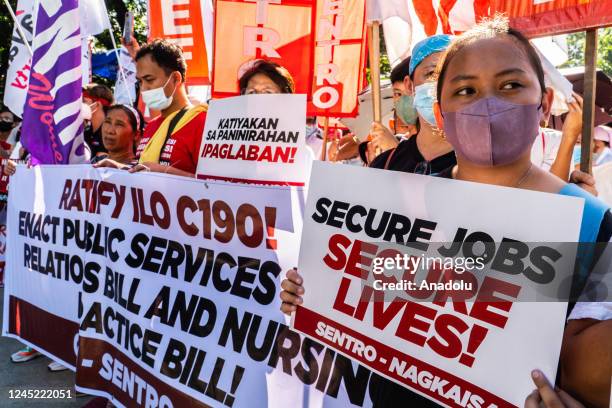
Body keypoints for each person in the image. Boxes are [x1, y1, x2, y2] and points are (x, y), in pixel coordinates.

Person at [282, 18, 611, 407]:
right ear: (441, 116)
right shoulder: (399, 199)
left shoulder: (591, 224)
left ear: (543, 105)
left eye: (510, 85)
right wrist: (314, 290)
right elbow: (369, 291)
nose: (487, 103)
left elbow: (588, 378)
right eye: (465, 90)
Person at [95, 39, 207, 177]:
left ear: (175, 79)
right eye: (140, 81)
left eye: (149, 80)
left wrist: (163, 172)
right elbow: (142, 168)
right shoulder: (152, 126)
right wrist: (120, 168)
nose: (143, 89)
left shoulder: (202, 123)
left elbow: (217, 186)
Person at [369, 35, 456, 176]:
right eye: (432, 73)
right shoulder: (384, 165)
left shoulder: (487, 168)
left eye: (454, 75)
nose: (442, 84)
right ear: (409, 85)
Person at [82, 84, 114, 157]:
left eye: (84, 101)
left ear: (97, 105)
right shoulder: (86, 131)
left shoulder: (109, 132)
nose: (80, 105)